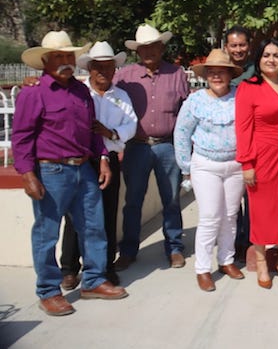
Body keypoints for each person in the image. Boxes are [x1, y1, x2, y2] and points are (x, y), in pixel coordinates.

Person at [12, 31, 128, 316]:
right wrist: (27, 174)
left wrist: (102, 159)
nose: (65, 61)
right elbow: (21, 137)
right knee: (47, 232)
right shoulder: (33, 92)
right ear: (45, 61)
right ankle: (49, 291)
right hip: (51, 171)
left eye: (68, 56)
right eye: (59, 57)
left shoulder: (80, 90)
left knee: (93, 227)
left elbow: (92, 130)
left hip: (84, 169)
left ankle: (93, 280)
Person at [59, 42, 138, 289]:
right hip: (83, 159)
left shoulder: (121, 96)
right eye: (99, 67)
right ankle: (70, 268)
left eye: (108, 67)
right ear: (90, 69)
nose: (104, 72)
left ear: (115, 69)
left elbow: (131, 125)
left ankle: (105, 266)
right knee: (75, 216)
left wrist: (111, 133)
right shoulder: (80, 93)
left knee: (107, 212)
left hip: (109, 160)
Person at [113, 24, 190, 271]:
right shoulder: (124, 76)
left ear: (162, 47)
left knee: (171, 199)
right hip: (137, 146)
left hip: (167, 146)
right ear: (138, 51)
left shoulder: (176, 74)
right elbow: (103, 96)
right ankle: (128, 250)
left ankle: (175, 246)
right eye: (143, 48)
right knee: (133, 200)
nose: (149, 51)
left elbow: (187, 111)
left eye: (153, 46)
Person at [174, 49, 245, 292]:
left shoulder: (239, 97)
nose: (217, 77)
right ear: (206, 75)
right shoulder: (195, 101)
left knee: (230, 215)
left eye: (221, 73)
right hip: (205, 165)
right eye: (212, 73)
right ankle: (203, 269)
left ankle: (226, 260)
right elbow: (182, 134)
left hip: (235, 165)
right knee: (210, 216)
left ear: (229, 75)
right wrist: (185, 167)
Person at [235, 38, 278, 289]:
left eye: (276, 55)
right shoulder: (248, 87)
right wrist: (246, 164)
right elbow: (243, 129)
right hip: (262, 156)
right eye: (266, 55)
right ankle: (262, 261)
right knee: (262, 211)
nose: (271, 59)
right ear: (259, 60)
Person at [223, 25, 255, 261]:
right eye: (233, 45)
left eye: (242, 44)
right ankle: (233, 242)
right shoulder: (222, 71)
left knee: (251, 196)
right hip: (227, 143)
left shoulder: (257, 71)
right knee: (230, 200)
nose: (238, 49)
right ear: (226, 47)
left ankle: (251, 242)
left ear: (249, 46)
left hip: (253, 141)